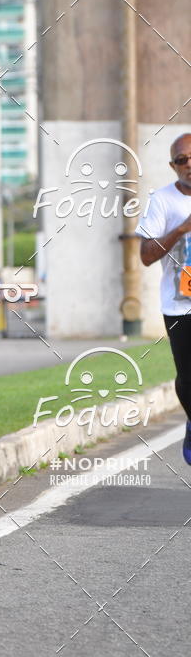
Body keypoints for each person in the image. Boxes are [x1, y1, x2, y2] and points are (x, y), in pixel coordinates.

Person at [137, 133, 191, 464]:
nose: (189, 165)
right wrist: (181, 230)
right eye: (182, 160)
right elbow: (145, 255)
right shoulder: (163, 200)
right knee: (188, 376)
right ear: (173, 166)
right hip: (180, 304)